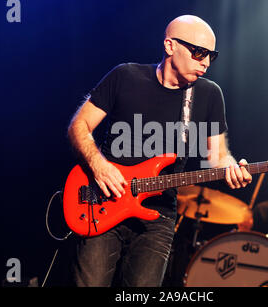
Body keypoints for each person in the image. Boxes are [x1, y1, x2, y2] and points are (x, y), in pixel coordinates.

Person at [67, 15, 252, 287]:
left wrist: (232, 169)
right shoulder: (125, 76)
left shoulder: (209, 94)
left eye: (212, 56)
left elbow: (219, 156)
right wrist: (99, 165)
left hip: (158, 216)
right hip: (104, 200)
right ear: (169, 46)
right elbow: (79, 125)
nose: (205, 62)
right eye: (199, 52)